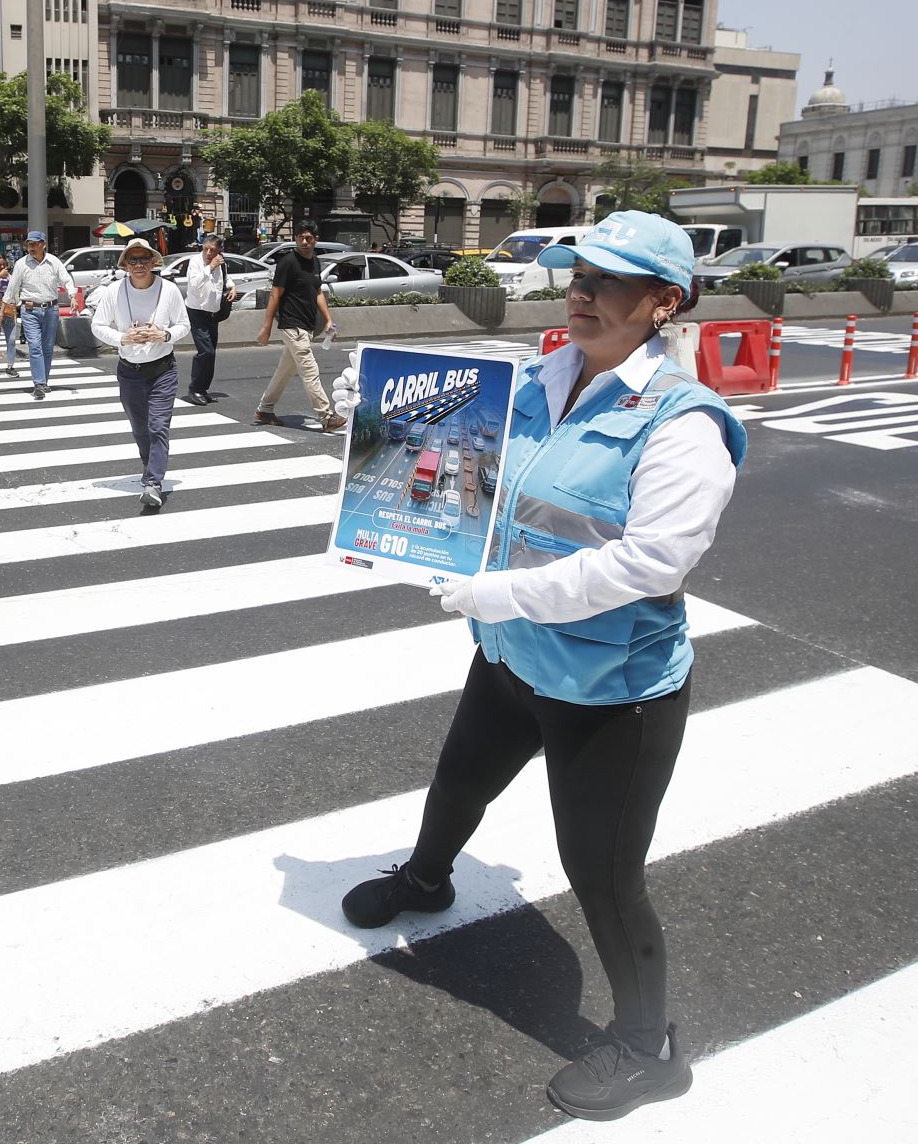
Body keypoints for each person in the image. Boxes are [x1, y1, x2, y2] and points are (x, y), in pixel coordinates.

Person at [335, 211, 746, 1123]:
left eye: (609, 281)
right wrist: (370, 426)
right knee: (459, 781)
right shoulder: (536, 379)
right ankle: (426, 878)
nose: (583, 292)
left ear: (662, 303)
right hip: (514, 657)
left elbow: (651, 564)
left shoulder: (684, 425)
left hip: (612, 689)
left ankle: (651, 1050)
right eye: (579, 273)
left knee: (600, 871)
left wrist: (500, 597)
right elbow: (460, 471)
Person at [91, 239, 190, 510]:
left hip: (162, 370)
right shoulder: (114, 291)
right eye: (132, 260)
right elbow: (98, 326)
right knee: (140, 429)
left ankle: (154, 482)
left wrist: (164, 334)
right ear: (125, 264)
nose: (139, 265)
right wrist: (123, 338)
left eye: (144, 259)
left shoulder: (169, 290)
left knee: (158, 427)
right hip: (129, 372)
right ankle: (150, 469)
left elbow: (184, 324)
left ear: (153, 262)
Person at [253, 222, 346, 432]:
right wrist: (266, 327)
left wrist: (328, 319)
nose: (305, 242)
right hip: (292, 325)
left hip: (307, 326)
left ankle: (265, 409)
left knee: (285, 370)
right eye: (301, 238)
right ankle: (326, 416)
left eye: (309, 238)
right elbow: (275, 294)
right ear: (295, 239)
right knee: (309, 369)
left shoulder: (315, 262)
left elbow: (318, 292)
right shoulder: (288, 263)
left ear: (316, 239)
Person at [2, 230, 73, 400]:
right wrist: (3, 309)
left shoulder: (54, 262)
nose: (31, 247)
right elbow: (12, 288)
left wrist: (72, 295)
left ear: (43, 244)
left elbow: (66, 279)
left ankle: (44, 381)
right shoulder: (21, 264)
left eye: (35, 244)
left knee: (47, 348)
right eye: (29, 244)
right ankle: (39, 383)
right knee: (34, 347)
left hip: (51, 309)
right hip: (30, 310)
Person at [182, 236, 237, 406]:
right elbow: (194, 283)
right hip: (196, 311)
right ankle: (195, 388)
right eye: (206, 248)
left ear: (219, 251)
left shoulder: (222, 263)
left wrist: (232, 286)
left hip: (213, 313)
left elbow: (225, 279)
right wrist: (209, 267)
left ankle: (203, 389)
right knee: (206, 352)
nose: (208, 252)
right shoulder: (195, 262)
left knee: (211, 353)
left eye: (212, 250)